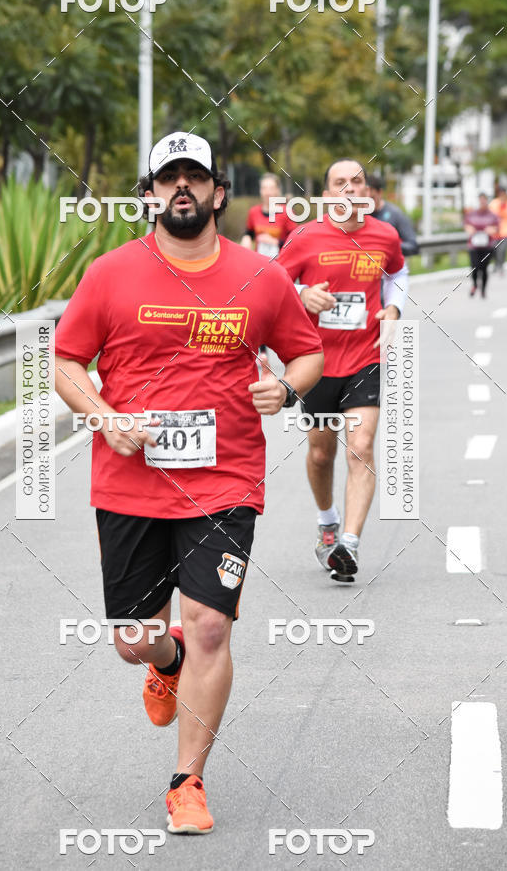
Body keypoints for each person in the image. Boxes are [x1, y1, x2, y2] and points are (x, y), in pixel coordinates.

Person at [54, 132, 323, 836]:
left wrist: (286, 391)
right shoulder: (110, 273)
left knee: (211, 626)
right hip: (128, 484)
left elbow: (307, 352)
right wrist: (104, 415)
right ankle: (161, 657)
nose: (182, 188)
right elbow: (64, 361)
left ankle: (187, 779)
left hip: (225, 480)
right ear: (149, 193)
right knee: (134, 639)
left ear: (217, 192)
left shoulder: (259, 276)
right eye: (168, 177)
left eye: (194, 177)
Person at [278, 159, 409, 583]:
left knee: (362, 447)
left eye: (358, 182)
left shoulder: (385, 235)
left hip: (365, 357)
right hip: (315, 362)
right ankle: (328, 524)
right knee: (320, 453)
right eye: (340, 183)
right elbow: (271, 283)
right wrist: (302, 293)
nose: (350, 189)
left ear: (368, 192)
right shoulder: (306, 236)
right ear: (327, 195)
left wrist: (393, 308)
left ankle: (347, 546)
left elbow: (398, 273)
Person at [241, 173, 298, 361]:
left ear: (277, 190)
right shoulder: (254, 212)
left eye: (270, 188)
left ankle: (289, 348)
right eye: (263, 188)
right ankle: (262, 351)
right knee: (259, 306)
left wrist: (275, 241)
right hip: (258, 267)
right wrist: (245, 244)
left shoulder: (286, 213)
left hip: (280, 267)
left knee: (279, 308)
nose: (267, 192)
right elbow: (248, 232)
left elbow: (295, 242)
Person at [366, 174, 419, 256]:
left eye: (372, 198)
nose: (368, 203)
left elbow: (413, 246)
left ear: (380, 193)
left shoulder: (395, 214)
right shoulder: (359, 216)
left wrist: (388, 246)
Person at [464, 194, 499, 298]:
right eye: (480, 200)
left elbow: (496, 228)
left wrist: (490, 230)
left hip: (487, 246)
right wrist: (470, 229)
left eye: (484, 200)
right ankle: (474, 284)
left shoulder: (492, 215)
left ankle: (483, 289)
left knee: (483, 268)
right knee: (474, 267)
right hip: (474, 246)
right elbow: (466, 225)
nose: (482, 202)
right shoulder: (471, 215)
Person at [489, 185, 507, 274]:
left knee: (502, 249)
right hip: (495, 232)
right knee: (494, 249)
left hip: (506, 231)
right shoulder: (494, 203)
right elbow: (490, 216)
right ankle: (496, 264)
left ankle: (500, 266)